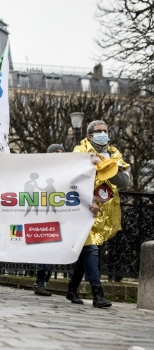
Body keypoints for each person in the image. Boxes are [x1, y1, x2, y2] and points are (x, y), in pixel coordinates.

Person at [66, 120, 130, 308]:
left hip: (104, 209)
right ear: (89, 135)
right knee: (91, 247)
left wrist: (106, 164)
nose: (103, 133)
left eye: (105, 131)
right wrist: (88, 199)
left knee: (88, 249)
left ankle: (71, 289)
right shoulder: (80, 152)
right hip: (83, 207)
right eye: (98, 131)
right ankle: (97, 293)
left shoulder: (113, 153)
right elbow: (72, 179)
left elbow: (123, 181)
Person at [33, 144, 64, 296]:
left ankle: (44, 281)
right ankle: (39, 281)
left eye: (61, 152)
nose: (59, 154)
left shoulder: (67, 171)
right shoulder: (42, 170)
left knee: (52, 250)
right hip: (43, 214)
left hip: (58, 214)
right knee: (44, 248)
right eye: (56, 152)